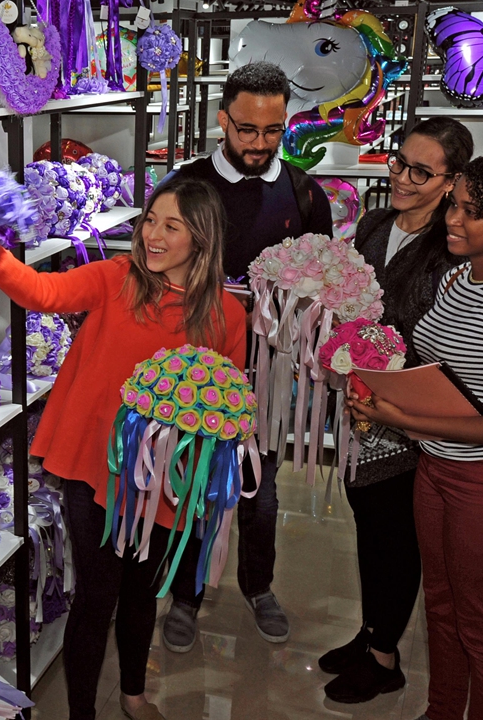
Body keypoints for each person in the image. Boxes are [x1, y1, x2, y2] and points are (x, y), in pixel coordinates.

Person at [0, 176, 247, 720]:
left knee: (143, 592)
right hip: (94, 466)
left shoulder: (225, 314)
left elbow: (230, 400)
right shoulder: (116, 277)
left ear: (202, 238)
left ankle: (132, 693)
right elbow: (41, 292)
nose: (152, 235)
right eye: (150, 220)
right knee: (97, 599)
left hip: (166, 480)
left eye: (172, 226)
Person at [347, 148, 483, 720]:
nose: (452, 218)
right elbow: (437, 370)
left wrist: (401, 418)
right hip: (437, 471)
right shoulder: (459, 278)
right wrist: (382, 387)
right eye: (456, 205)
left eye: (471, 211)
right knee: (440, 610)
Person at [163, 60, 333, 651]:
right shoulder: (184, 188)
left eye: (272, 130)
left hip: (268, 369)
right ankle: (184, 594)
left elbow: (323, 281)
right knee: (187, 482)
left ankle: (258, 586)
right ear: (221, 120)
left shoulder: (305, 191)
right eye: (246, 130)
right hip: (192, 366)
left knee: (260, 488)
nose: (260, 144)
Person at [318, 117, 473, 704]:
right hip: (358, 403)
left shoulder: (451, 245)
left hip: (406, 414)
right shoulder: (376, 222)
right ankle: (372, 631)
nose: (401, 177)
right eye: (398, 161)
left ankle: (386, 658)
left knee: (395, 532)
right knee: (366, 520)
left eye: (420, 171)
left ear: (451, 181)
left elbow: (440, 336)